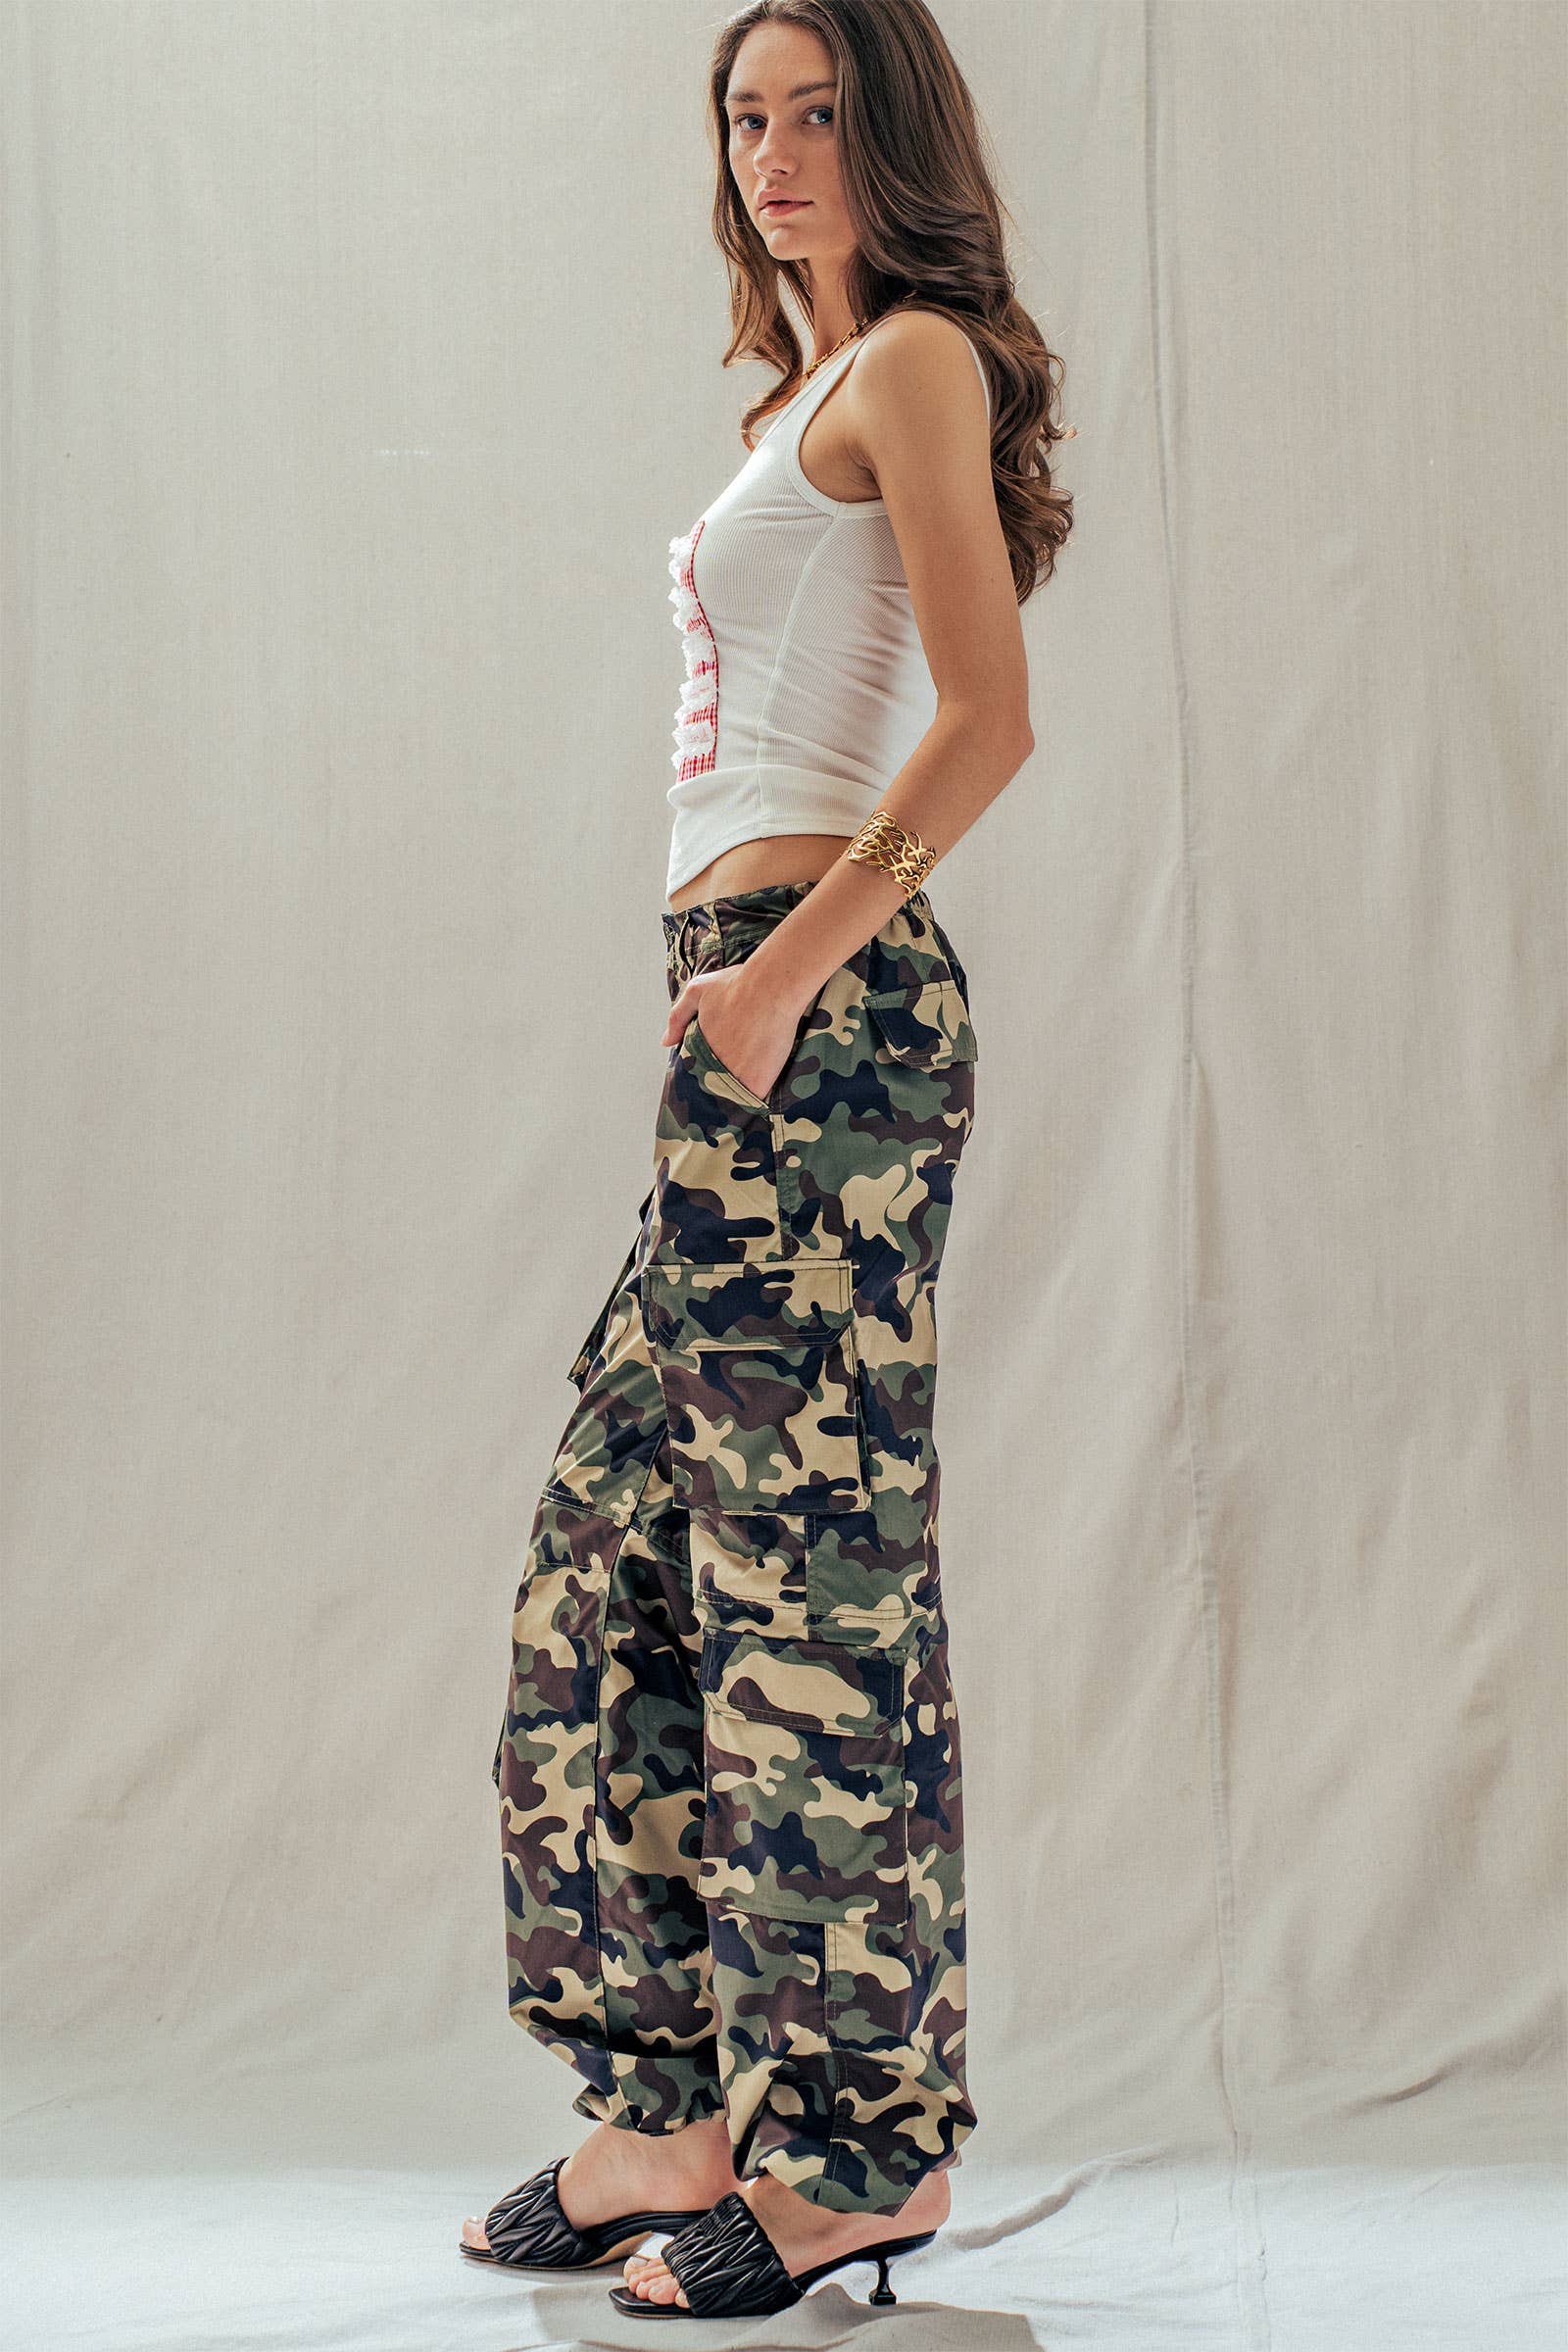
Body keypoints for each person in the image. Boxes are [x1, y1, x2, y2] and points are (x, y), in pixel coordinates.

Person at [462, 0, 1073, 2320]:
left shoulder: (909, 362)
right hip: (743, 1016)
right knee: (609, 1565)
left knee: (805, 1607)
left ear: (891, 134)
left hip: (810, 1011)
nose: (776, 151)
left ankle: (854, 2158)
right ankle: (669, 2110)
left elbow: (989, 718)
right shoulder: (808, 390)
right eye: (746, 115)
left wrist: (787, 973)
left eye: (820, 112)